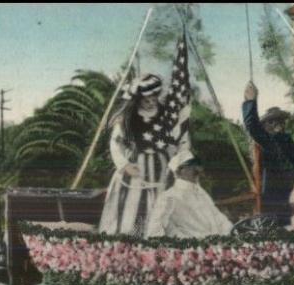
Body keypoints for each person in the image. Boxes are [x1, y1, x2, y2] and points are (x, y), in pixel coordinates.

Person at [99, 73, 191, 236]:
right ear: (138, 99)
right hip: (136, 167)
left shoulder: (166, 115)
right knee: (133, 204)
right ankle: (130, 235)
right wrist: (124, 165)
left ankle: (156, 235)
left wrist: (177, 161)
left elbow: (179, 138)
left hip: (160, 167)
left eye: (153, 100)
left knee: (160, 203)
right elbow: (115, 143)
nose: (150, 103)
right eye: (146, 100)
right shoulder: (128, 117)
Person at [242, 81, 294, 226]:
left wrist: (250, 101)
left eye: (279, 120)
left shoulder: (280, 140)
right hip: (275, 193)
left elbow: (252, 126)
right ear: (266, 125)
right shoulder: (273, 141)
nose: (276, 124)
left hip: (277, 193)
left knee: (276, 228)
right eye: (272, 121)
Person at [145, 150, 234, 238]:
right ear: (181, 170)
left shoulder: (201, 193)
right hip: (190, 248)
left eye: (197, 165)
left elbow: (219, 219)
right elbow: (154, 230)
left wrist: (232, 232)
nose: (198, 170)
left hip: (218, 244)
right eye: (192, 166)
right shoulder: (169, 196)